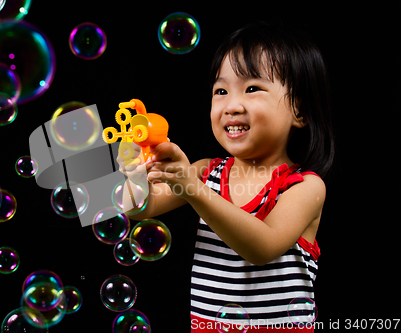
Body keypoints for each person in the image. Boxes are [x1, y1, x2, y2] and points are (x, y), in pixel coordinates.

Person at [119, 21, 335, 332]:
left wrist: (194, 190)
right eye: (220, 90)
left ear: (299, 111)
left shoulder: (304, 186)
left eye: (252, 88)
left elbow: (263, 247)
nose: (231, 106)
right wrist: (134, 173)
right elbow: (139, 208)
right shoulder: (206, 171)